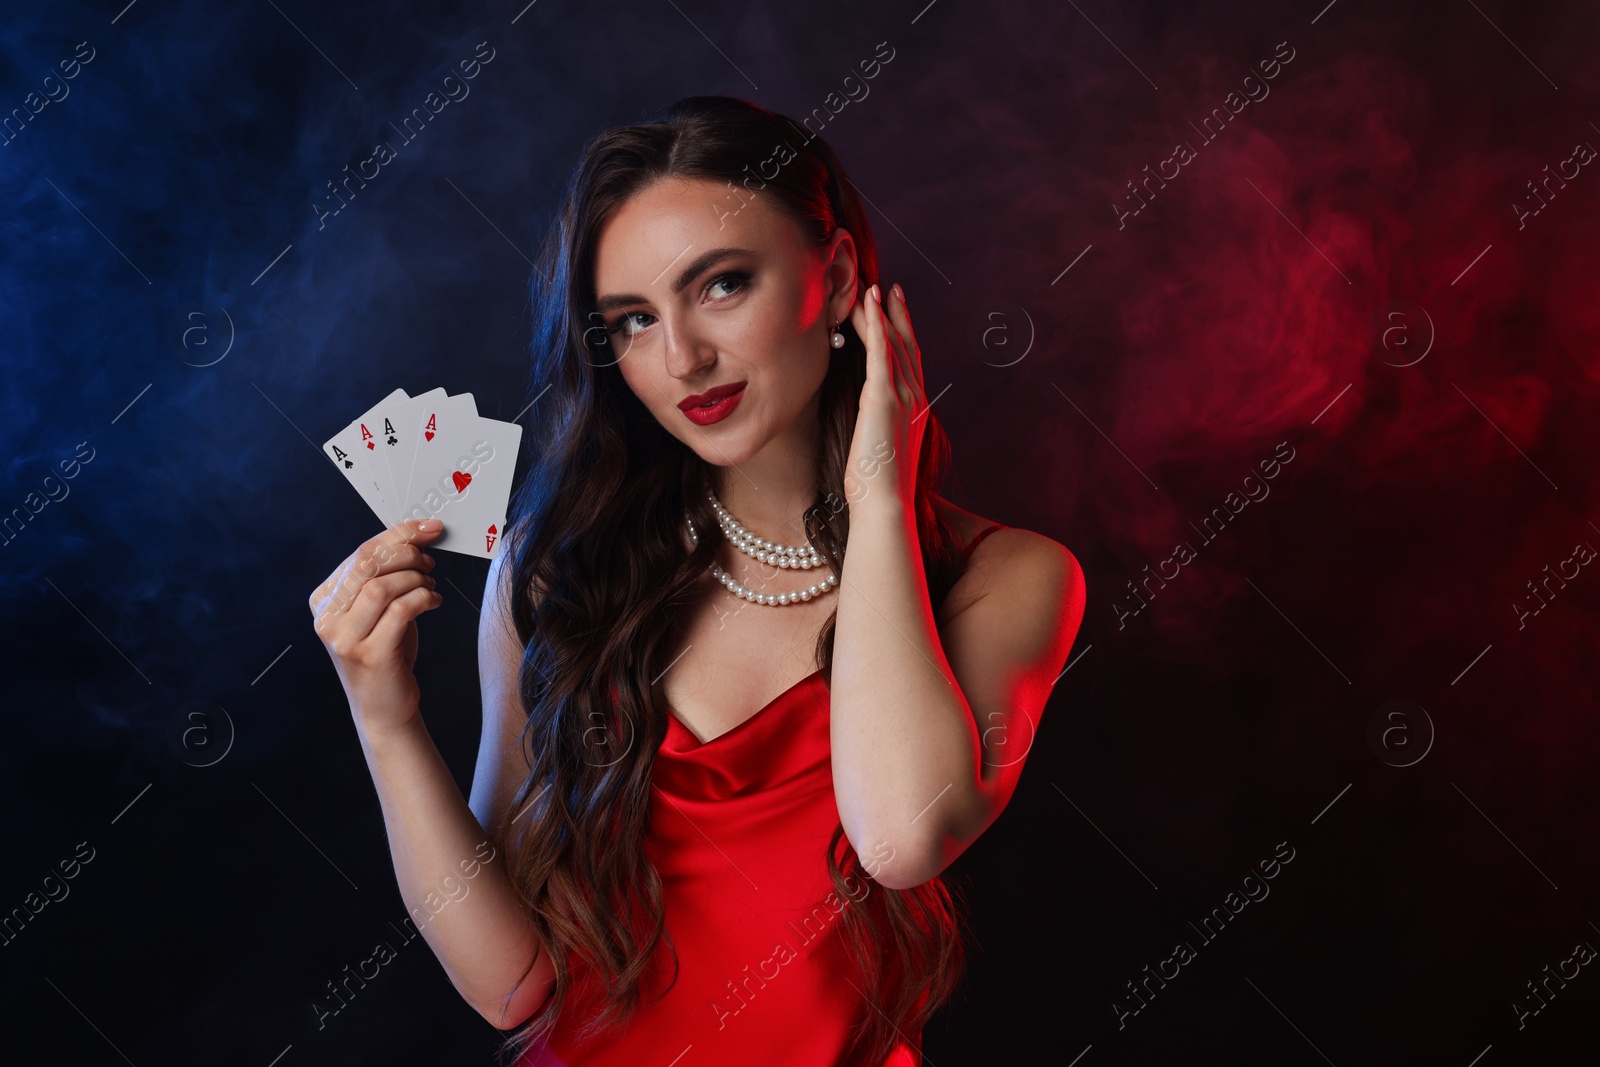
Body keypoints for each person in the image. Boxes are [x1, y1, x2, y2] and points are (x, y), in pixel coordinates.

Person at [309, 95, 1085, 1066]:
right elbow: (510, 987)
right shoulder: (554, 564)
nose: (682, 357)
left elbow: (898, 839)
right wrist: (385, 715)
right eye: (632, 319)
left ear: (837, 277)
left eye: (721, 285)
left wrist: (877, 496)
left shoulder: (1006, 576)